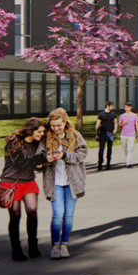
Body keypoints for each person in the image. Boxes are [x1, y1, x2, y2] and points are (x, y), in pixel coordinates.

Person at [40, 107, 88, 258]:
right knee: (57, 214)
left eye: (59, 125)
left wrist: (65, 155)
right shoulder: (46, 137)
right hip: (54, 181)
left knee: (68, 214)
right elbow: (39, 157)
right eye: (53, 126)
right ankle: (55, 245)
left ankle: (64, 245)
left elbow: (82, 153)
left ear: (65, 122)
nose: (56, 128)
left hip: (72, 181)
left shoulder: (74, 135)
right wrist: (47, 159)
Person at [0, 118, 47, 261]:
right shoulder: (13, 141)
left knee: (32, 212)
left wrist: (42, 163)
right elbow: (19, 162)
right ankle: (16, 250)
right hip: (11, 183)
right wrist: (40, 160)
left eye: (43, 132)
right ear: (30, 130)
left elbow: (40, 163)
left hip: (28, 182)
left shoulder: (38, 143)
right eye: (39, 131)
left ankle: (33, 247)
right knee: (15, 215)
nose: (41, 134)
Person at [94, 103, 117, 171]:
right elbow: (97, 124)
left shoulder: (113, 114)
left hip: (110, 133)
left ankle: (108, 163)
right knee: (101, 149)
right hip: (102, 134)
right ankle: (100, 163)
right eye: (112, 106)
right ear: (107, 106)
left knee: (109, 149)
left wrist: (115, 129)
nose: (113, 107)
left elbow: (115, 122)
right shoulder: (101, 114)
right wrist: (97, 134)